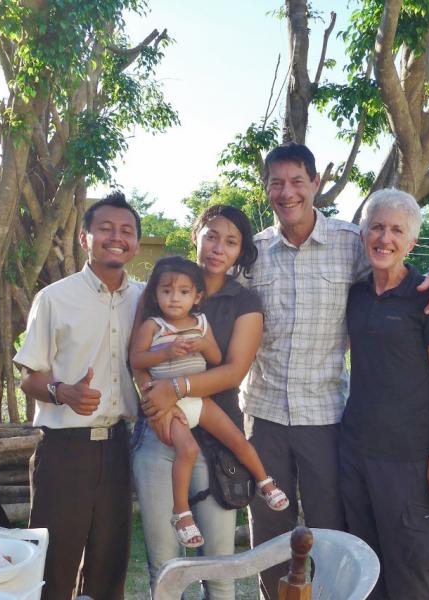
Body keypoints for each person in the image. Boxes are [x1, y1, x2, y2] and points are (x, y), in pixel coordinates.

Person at [241, 143, 429, 599]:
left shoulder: (348, 242)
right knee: (269, 532)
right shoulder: (254, 253)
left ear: (316, 183)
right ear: (266, 189)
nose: (288, 192)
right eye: (277, 183)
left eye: (298, 181)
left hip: (325, 418)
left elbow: (397, 259)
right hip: (264, 414)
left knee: (336, 535)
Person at [13, 191, 142, 600]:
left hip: (122, 447)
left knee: (110, 566)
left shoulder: (145, 299)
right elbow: (29, 379)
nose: (116, 237)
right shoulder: (55, 298)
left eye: (126, 230)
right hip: (65, 450)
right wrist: (61, 392)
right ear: (85, 237)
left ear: (136, 242)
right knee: (54, 567)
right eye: (105, 228)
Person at [132, 205, 264, 599]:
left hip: (218, 439)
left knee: (220, 568)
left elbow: (233, 371)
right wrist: (150, 402)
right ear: (196, 236)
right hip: (160, 436)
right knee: (165, 567)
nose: (217, 248)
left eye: (230, 241)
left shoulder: (245, 302)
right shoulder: (161, 284)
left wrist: (174, 390)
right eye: (211, 236)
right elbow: (135, 358)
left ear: (241, 251)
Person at [340, 188, 429, 600]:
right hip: (354, 453)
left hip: (407, 459)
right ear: (362, 234)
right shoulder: (353, 295)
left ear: (411, 242)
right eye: (376, 227)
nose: (384, 238)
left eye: (396, 230)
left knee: (410, 575)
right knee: (364, 570)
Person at [130, 256, 289, 549]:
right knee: (187, 450)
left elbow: (217, 360)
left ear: (197, 296)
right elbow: (136, 359)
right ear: (155, 294)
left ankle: (265, 483)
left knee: (236, 440)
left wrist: (204, 344)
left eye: (183, 292)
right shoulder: (154, 326)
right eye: (166, 291)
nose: (174, 298)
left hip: (199, 400)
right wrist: (165, 354)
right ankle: (181, 513)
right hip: (171, 408)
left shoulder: (201, 323)